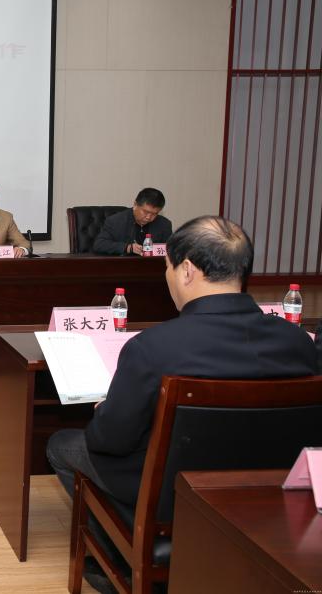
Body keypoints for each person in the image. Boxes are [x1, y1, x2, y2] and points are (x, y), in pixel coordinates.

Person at [46, 216, 317, 591]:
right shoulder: (299, 342)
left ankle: (125, 559)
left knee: (62, 445)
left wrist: (105, 410)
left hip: (172, 494)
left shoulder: (153, 347)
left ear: (187, 270)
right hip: (263, 493)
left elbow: (109, 441)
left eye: (168, 267)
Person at [93, 187, 173, 256]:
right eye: (145, 212)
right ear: (135, 205)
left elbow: (172, 249)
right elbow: (99, 244)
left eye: (154, 214)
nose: (148, 217)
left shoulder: (164, 224)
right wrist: (128, 248)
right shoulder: (115, 221)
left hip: (153, 266)